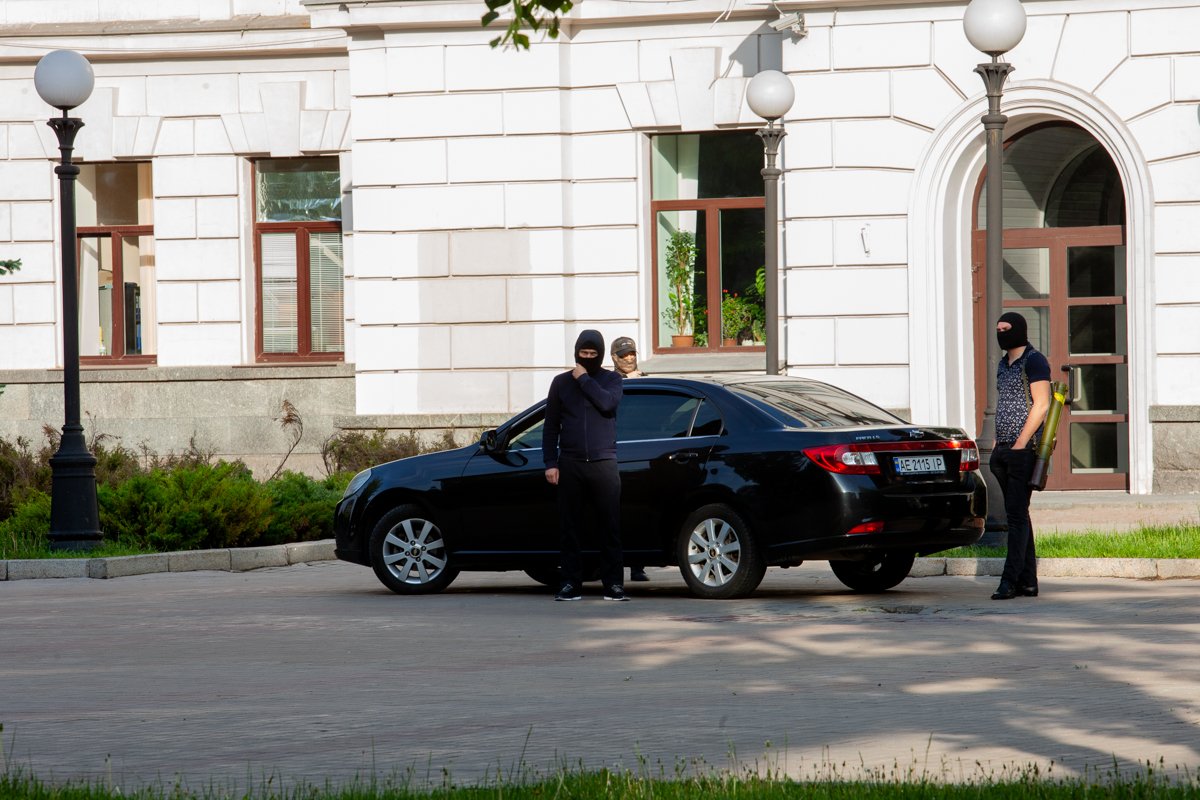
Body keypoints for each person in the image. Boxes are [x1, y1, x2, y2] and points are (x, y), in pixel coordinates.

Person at [543, 330, 627, 601]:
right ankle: (570, 584)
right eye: (583, 354)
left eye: (593, 354)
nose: (587, 358)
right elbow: (550, 426)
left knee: (610, 527)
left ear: (600, 355)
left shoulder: (611, 380)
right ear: (576, 352)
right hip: (571, 463)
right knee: (569, 528)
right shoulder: (560, 383)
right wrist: (550, 463)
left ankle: (613, 584)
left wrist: (584, 379)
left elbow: (607, 403)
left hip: (604, 463)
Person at [990, 311, 1051, 601]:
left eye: (1006, 328)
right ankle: (1028, 582)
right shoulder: (1003, 364)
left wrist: (1020, 443)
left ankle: (1009, 581)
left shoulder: (1034, 360)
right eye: (998, 328)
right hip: (1001, 449)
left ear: (1021, 330)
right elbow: (1004, 404)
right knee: (1019, 515)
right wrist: (997, 442)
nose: (1001, 333)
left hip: (1022, 451)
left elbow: (1042, 405)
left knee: (1015, 518)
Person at [610, 336, 649, 582]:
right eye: (624, 355)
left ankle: (638, 564)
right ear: (614, 358)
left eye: (632, 353)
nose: (629, 358)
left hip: (642, 450)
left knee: (640, 508)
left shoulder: (646, 380)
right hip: (615, 449)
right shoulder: (608, 381)